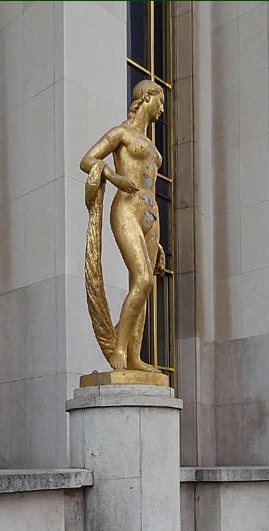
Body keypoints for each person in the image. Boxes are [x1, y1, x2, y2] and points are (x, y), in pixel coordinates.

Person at [80, 79, 166, 372]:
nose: (162, 109)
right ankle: (119, 349)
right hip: (127, 209)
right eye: (160, 101)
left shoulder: (152, 146)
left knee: (143, 286)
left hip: (151, 217)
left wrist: (159, 243)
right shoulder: (122, 134)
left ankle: (135, 357)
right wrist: (113, 178)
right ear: (147, 97)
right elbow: (87, 160)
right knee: (142, 279)